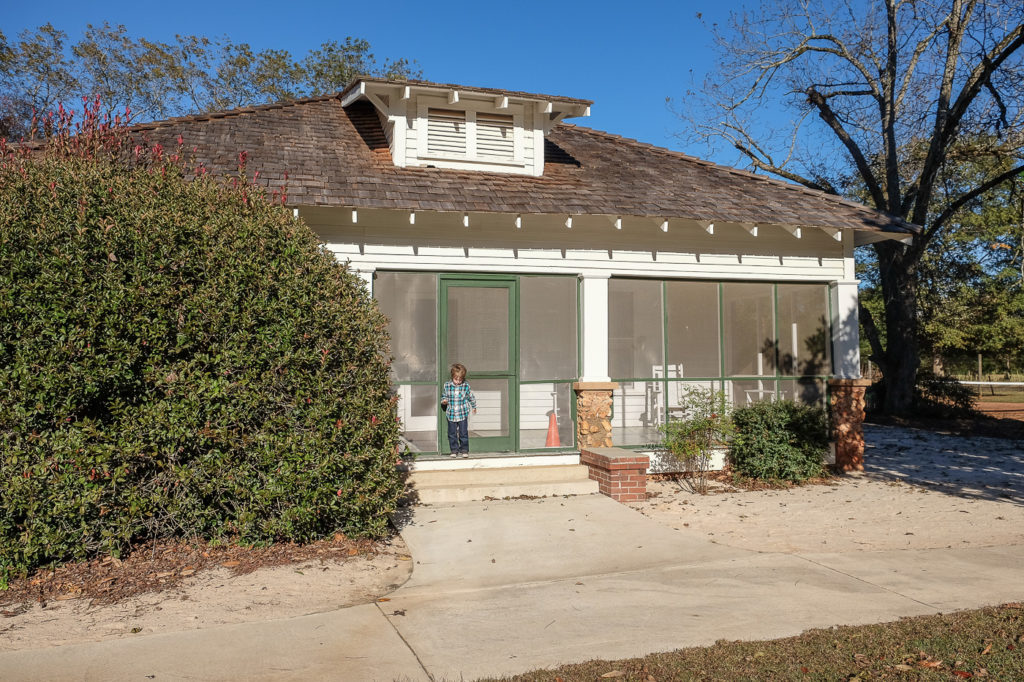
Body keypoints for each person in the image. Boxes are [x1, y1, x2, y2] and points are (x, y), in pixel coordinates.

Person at [441, 363, 476, 457]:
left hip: (462, 412)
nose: (458, 381)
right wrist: (444, 401)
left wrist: (474, 406)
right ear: (452, 376)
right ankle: (454, 450)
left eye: (460, 379)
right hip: (451, 413)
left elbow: (470, 397)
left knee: (463, 433)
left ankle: (464, 450)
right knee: (452, 433)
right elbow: (444, 395)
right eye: (456, 379)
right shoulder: (447, 385)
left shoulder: (465, 386)